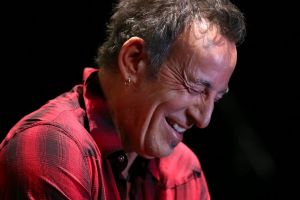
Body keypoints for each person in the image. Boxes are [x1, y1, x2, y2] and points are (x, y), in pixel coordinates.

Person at [0, 0, 245, 199]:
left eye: (217, 98)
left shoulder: (182, 171)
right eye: (196, 87)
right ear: (134, 60)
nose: (203, 119)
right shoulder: (52, 148)